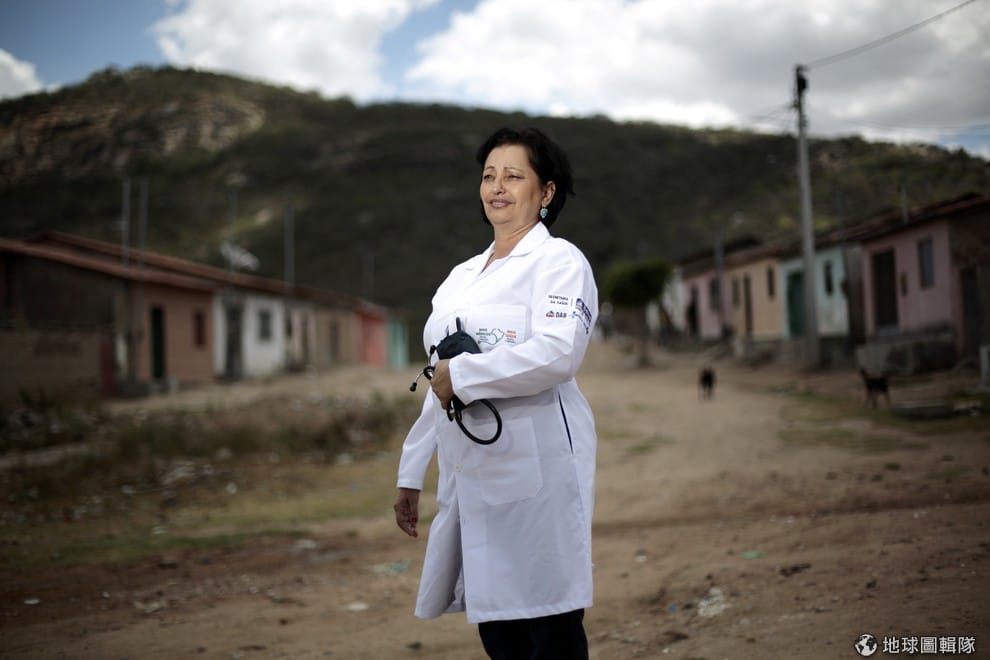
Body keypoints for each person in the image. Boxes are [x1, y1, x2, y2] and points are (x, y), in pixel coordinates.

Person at [393, 126, 599, 659]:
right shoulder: (459, 278)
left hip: (537, 474)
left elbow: (558, 353)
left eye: (513, 175)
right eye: (489, 176)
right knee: (499, 632)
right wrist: (411, 471)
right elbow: (437, 377)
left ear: (546, 191)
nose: (498, 187)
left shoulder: (560, 263)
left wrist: (463, 376)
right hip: (471, 475)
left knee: (550, 628)